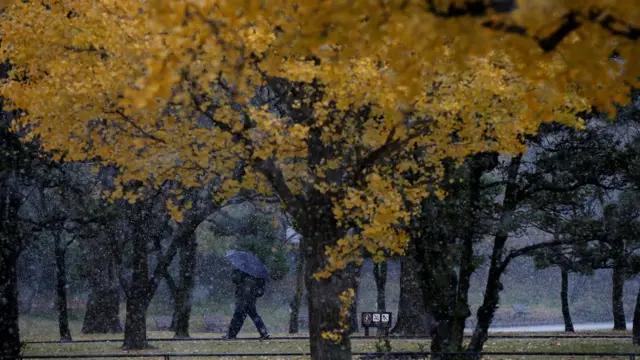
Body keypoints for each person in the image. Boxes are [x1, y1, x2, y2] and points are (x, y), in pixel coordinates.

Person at [223, 268, 270, 340]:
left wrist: (237, 275)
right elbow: (260, 290)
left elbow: (235, 280)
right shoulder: (258, 272)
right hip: (250, 299)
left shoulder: (242, 270)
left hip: (243, 298)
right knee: (252, 315)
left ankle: (231, 335)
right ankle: (264, 332)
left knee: (238, 316)